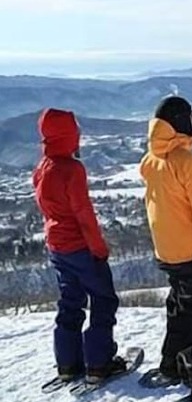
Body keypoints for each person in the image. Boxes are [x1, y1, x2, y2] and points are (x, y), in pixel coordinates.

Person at [32, 108, 124, 384]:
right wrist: (99, 249)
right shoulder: (72, 169)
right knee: (103, 299)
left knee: (70, 301)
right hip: (80, 246)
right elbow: (84, 214)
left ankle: (68, 364)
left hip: (57, 247)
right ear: (69, 135)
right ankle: (98, 363)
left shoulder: (42, 168)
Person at [139, 96, 192, 381]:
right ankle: (176, 364)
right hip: (190, 249)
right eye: (191, 116)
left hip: (165, 248)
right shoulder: (186, 161)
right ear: (180, 121)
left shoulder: (150, 160)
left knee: (181, 301)